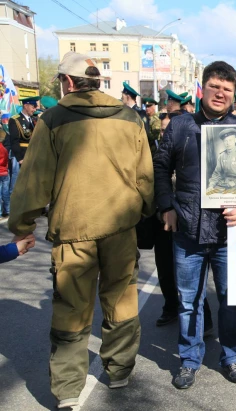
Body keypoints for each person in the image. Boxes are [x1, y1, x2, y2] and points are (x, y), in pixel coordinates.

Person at [8, 51, 154, 409]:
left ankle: (69, 390)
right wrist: (144, 213)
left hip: (74, 230)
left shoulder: (53, 119)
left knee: (72, 308)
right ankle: (119, 371)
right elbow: (145, 176)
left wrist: (21, 224)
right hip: (120, 228)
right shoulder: (130, 117)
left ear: (68, 82)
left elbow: (34, 179)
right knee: (121, 301)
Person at [153, 60, 236, 390]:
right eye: (215, 87)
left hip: (228, 235)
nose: (221, 94)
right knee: (188, 301)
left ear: (234, 95)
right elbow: (160, 168)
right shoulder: (180, 126)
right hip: (188, 231)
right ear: (202, 88)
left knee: (230, 299)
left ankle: (231, 355)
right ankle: (190, 359)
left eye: (227, 90)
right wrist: (167, 207)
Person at [206, 128, 236, 193]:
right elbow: (217, 173)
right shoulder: (221, 156)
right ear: (223, 142)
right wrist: (211, 185)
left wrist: (235, 182)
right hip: (226, 184)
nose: (228, 143)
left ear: (235, 140)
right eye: (225, 141)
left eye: (230, 140)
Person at [7, 96, 39, 194]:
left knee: (31, 183)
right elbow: (14, 140)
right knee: (18, 183)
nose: (35, 109)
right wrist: (20, 158)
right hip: (22, 155)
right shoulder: (15, 120)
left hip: (32, 154)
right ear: (26, 105)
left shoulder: (34, 120)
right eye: (33, 106)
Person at [0, 131, 9, 217]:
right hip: (5, 172)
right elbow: (6, 161)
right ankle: (7, 209)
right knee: (5, 192)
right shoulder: (4, 149)